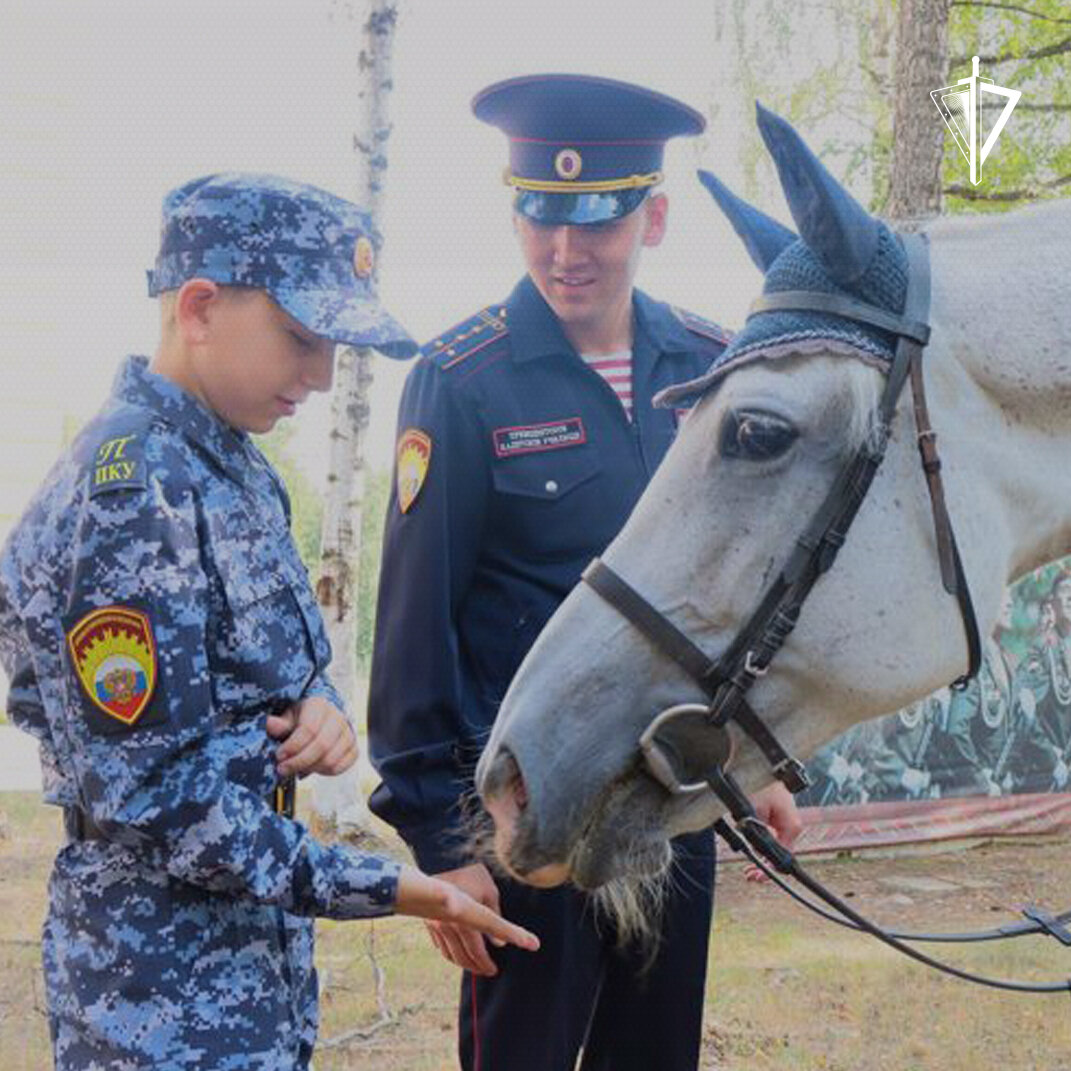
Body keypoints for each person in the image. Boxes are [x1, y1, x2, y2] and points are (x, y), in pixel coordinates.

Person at [0, 173, 538, 1071]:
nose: (323, 376)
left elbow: (273, 673)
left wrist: (320, 707)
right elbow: (161, 798)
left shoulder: (235, 472)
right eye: (300, 338)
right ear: (200, 307)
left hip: (248, 968)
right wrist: (396, 888)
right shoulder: (133, 494)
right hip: (154, 997)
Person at [367, 76, 801, 1071]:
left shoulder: (710, 366)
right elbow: (412, 632)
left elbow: (732, 595)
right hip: (525, 821)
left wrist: (753, 767)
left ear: (651, 217)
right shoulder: (462, 379)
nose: (566, 251)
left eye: (597, 221)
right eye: (541, 216)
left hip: (668, 810)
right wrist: (443, 845)